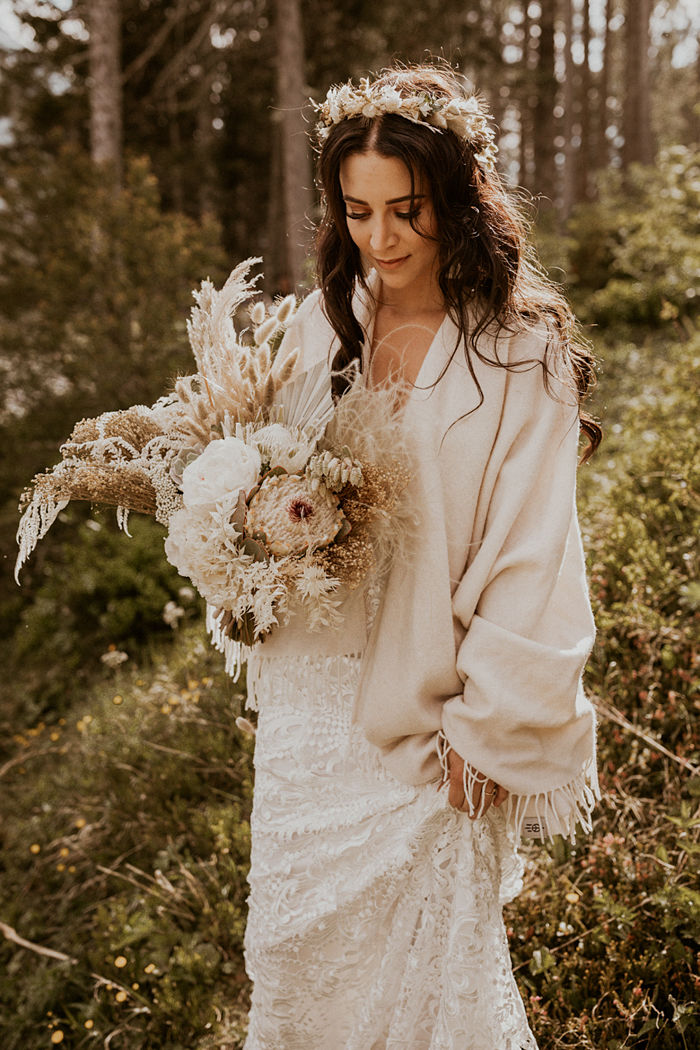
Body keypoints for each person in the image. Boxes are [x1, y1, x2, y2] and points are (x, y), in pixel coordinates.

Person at [241, 63, 601, 1050]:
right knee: (295, 968)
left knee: (434, 996)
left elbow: (532, 550)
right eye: (357, 212)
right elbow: (261, 489)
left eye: (407, 210)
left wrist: (490, 728)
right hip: (308, 717)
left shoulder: (521, 355)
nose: (381, 240)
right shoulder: (314, 331)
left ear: (459, 199)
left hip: (439, 720)